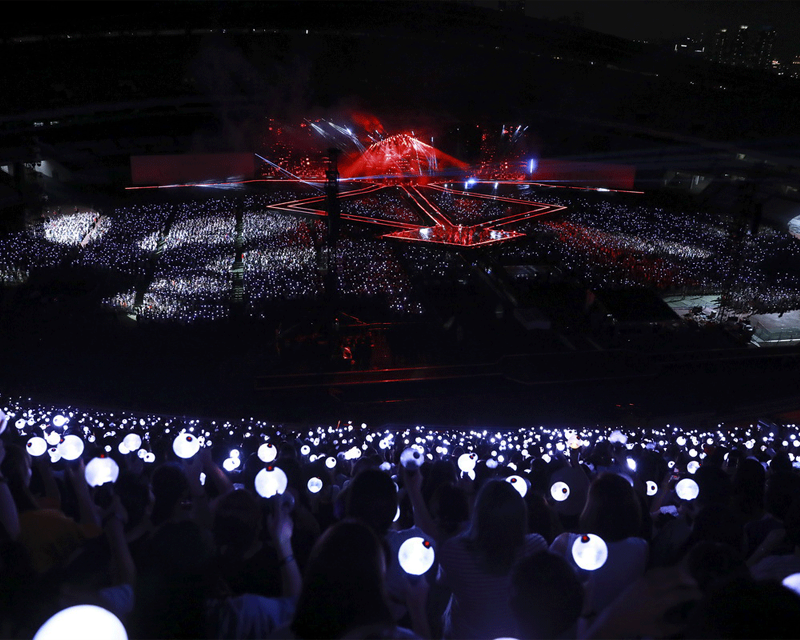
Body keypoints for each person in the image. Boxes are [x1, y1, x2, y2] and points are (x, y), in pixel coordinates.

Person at [439, 479, 547, 640]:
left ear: (478, 514)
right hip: (516, 633)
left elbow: (443, 585)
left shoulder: (453, 551)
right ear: (521, 514)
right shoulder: (536, 546)